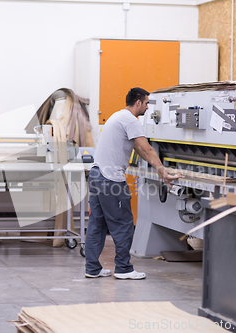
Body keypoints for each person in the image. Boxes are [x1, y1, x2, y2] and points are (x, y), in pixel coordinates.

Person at [85, 87, 183, 280]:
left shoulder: (118, 116)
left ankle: (92, 268)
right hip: (111, 179)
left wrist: (155, 167)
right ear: (138, 102)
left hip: (97, 175)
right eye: (146, 103)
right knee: (123, 224)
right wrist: (163, 171)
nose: (147, 107)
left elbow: (137, 147)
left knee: (97, 224)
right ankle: (123, 269)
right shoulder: (131, 120)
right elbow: (147, 149)